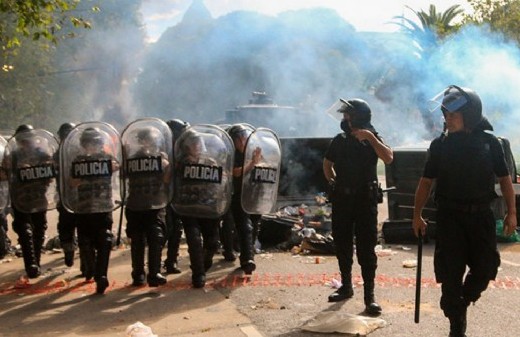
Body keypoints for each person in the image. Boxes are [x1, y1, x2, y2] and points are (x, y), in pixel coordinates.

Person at [412, 85, 517, 337]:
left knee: (485, 269)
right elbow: (426, 182)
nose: (447, 119)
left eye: (453, 114)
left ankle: (460, 304)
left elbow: (505, 180)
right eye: (445, 114)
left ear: (469, 115)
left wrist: (512, 212)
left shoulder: (491, 143)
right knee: (450, 276)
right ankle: (456, 326)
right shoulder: (440, 145)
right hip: (450, 218)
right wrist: (417, 214)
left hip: (481, 216)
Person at [323, 98, 393, 316]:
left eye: (348, 116)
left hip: (365, 200)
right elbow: (327, 163)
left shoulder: (371, 138)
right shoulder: (340, 140)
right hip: (343, 200)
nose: (345, 119)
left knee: (366, 248)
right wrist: (333, 182)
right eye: (344, 116)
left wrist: (371, 138)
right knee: (342, 243)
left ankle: (369, 297)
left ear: (359, 117)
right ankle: (346, 286)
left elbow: (388, 157)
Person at [68, 127, 120, 294]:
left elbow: (117, 166)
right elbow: (72, 182)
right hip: (83, 207)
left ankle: (101, 276)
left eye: (95, 142)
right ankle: (91, 269)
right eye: (89, 143)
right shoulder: (78, 160)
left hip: (103, 206)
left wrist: (111, 165)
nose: (92, 146)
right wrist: (83, 172)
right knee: (85, 241)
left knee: (104, 240)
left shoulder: (107, 158)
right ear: (83, 145)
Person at [173, 129, 225, 288]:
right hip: (188, 207)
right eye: (193, 144)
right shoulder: (180, 163)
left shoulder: (210, 161)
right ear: (187, 146)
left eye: (197, 143)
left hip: (207, 207)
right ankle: (198, 274)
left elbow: (219, 182)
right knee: (194, 240)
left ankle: (202, 265)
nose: (196, 146)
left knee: (212, 242)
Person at [5, 124, 57, 278]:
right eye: (23, 141)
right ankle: (31, 265)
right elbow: (4, 174)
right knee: (25, 230)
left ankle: (36, 262)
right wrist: (16, 170)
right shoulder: (13, 156)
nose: (26, 143)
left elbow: (51, 173)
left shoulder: (42, 155)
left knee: (39, 230)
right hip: (20, 199)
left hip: (38, 198)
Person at [123, 127, 169, 287]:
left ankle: (154, 272)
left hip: (155, 204)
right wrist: (124, 157)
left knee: (156, 238)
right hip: (136, 204)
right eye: (146, 140)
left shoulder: (161, 158)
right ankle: (138, 273)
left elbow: (167, 179)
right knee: (137, 240)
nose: (149, 143)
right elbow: (123, 176)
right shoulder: (133, 158)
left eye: (151, 140)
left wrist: (167, 166)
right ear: (141, 142)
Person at [226, 124, 262, 275]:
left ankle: (246, 252)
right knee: (245, 226)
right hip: (236, 195)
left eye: (244, 137)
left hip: (253, 194)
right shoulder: (230, 154)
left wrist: (259, 161)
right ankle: (247, 260)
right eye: (239, 138)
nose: (242, 141)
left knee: (254, 225)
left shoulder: (253, 151)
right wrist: (252, 163)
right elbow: (235, 173)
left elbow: (266, 167)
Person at [162, 119, 190, 274]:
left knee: (177, 230)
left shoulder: (183, 150)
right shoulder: (163, 149)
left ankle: (171, 261)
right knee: (166, 230)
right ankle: (157, 261)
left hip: (180, 194)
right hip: (164, 195)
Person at [55, 122, 78, 268]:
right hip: (70, 196)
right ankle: (70, 249)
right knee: (69, 226)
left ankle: (70, 248)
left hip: (73, 197)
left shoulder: (58, 154)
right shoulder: (79, 151)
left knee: (67, 226)